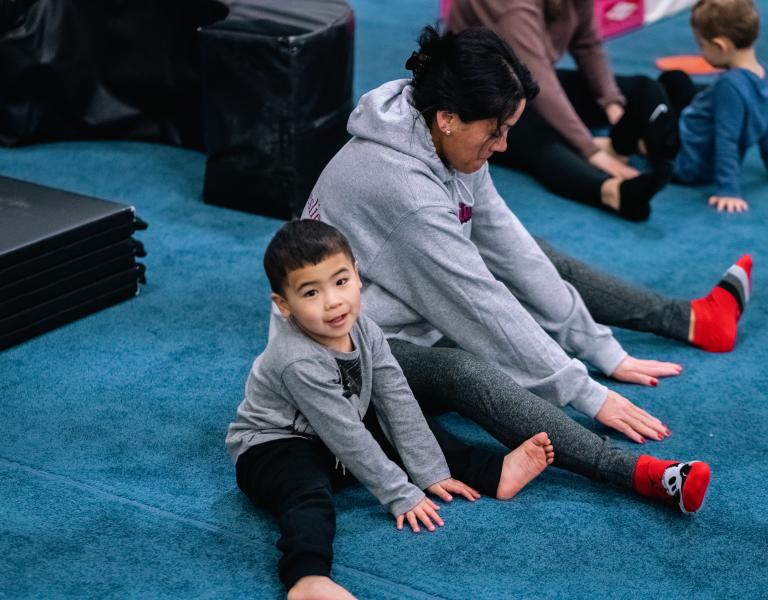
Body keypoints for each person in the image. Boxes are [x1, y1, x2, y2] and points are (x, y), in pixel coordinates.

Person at [304, 26, 726, 521]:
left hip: (408, 307)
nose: (503, 146)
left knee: (535, 256)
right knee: (469, 367)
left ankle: (688, 318)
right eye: (495, 132)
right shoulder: (406, 192)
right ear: (447, 120)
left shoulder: (434, 129)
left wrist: (599, 349)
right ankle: (636, 472)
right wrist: (585, 391)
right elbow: (482, 306)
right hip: (347, 351)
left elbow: (511, 248)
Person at [226, 219, 557, 600]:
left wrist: (429, 471)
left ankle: (494, 472)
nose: (333, 301)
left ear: (358, 275)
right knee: (307, 494)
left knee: (414, 426)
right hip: (273, 447)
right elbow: (346, 437)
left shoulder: (365, 328)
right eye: (311, 292)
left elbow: (396, 398)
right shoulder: (296, 359)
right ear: (284, 306)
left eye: (341, 282)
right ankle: (307, 578)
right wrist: (401, 493)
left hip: (334, 435)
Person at [447, 0, 679, 220]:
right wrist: (590, 151)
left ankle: (664, 156)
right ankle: (612, 192)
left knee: (642, 88)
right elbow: (538, 79)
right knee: (541, 138)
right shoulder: (513, 7)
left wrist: (611, 103)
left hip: (528, 81)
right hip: (480, 98)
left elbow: (587, 44)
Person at [653, 0, 768, 213]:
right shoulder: (762, 74)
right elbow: (765, 128)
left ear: (720, 45)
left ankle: (628, 144)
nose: (700, 52)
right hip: (693, 135)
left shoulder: (729, 85)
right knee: (677, 80)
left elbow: (727, 138)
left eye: (701, 45)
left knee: (651, 95)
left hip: (684, 160)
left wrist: (728, 190)